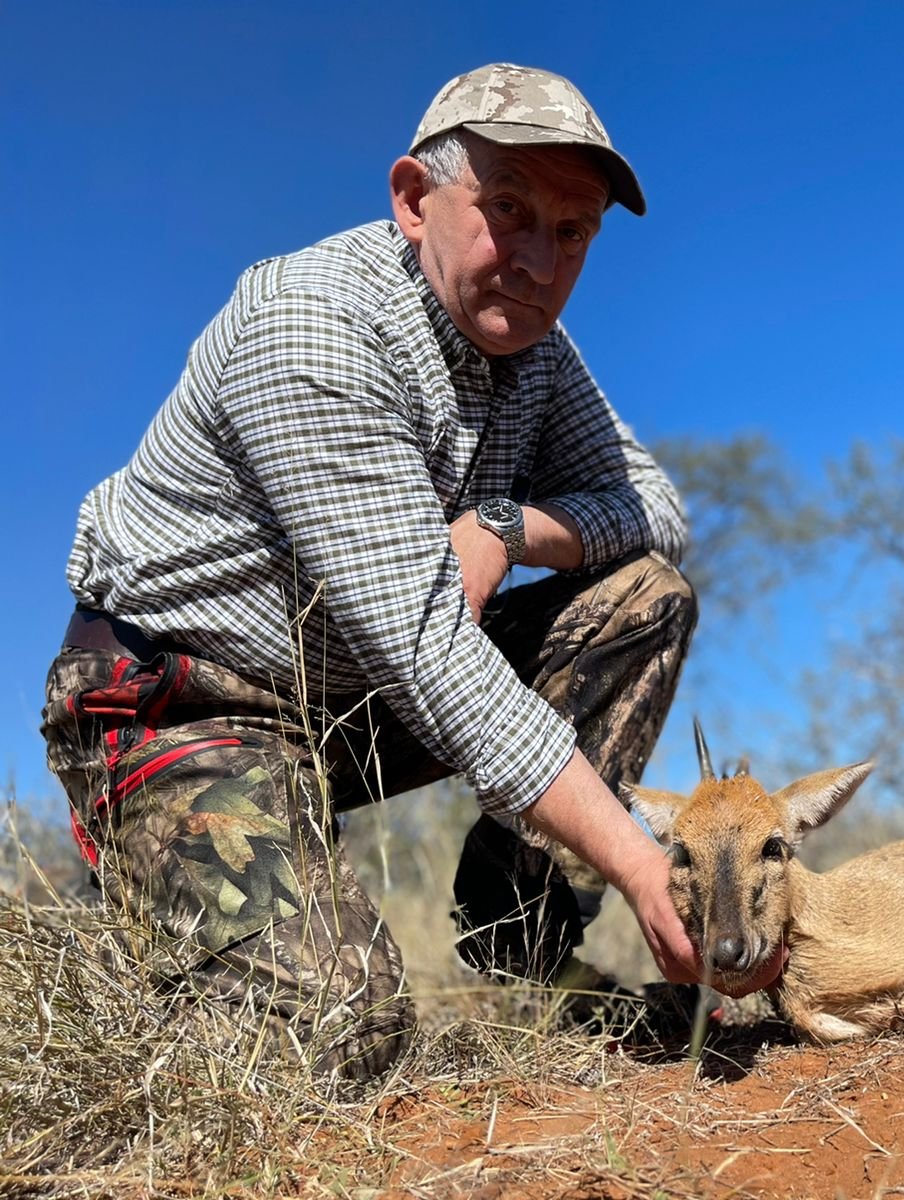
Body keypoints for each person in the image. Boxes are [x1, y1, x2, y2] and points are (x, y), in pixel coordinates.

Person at [40, 63, 778, 1082]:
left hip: (356, 696)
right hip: (189, 704)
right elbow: (431, 653)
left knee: (642, 598)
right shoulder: (311, 328)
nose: (536, 260)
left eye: (573, 234)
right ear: (413, 198)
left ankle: (519, 940)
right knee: (337, 1030)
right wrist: (645, 866)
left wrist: (507, 525)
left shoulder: (539, 353)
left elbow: (657, 512)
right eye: (507, 209)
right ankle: (160, 905)